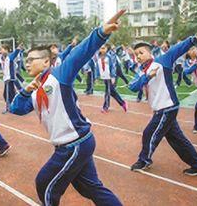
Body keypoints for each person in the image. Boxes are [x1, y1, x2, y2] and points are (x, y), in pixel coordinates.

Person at [9, 10, 125, 206]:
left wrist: (101, 33)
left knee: (44, 184)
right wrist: (25, 91)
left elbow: (79, 54)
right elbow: (16, 109)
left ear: (47, 61)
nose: (26, 63)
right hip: (78, 143)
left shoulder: (59, 76)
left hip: (74, 144)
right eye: (25, 60)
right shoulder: (35, 90)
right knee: (91, 188)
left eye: (31, 60)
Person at [128, 26, 197, 176]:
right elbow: (133, 87)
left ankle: (144, 160)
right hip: (161, 108)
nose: (138, 56)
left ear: (150, 53)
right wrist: (147, 77)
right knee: (178, 140)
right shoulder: (142, 71)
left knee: (149, 133)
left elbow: (177, 49)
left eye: (141, 53)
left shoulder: (162, 61)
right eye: (136, 54)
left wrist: (194, 39)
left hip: (167, 107)